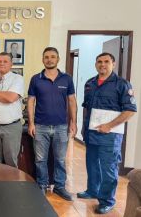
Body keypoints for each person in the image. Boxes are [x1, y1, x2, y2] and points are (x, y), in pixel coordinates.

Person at [77, 52, 137, 214]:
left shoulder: (122, 84)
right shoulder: (90, 83)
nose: (102, 64)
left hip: (110, 136)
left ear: (113, 64)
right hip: (91, 134)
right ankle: (92, 191)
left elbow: (130, 110)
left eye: (106, 61)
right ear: (96, 64)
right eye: (99, 61)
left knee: (108, 169)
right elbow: (86, 108)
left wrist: (109, 125)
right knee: (92, 165)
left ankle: (107, 200)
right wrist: (83, 128)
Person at [27, 47, 77, 201]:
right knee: (40, 159)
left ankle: (60, 187)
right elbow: (30, 101)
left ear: (58, 59)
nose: (49, 59)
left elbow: (72, 101)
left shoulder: (67, 79)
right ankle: (42, 185)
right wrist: (31, 123)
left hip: (61, 126)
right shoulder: (36, 79)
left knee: (60, 159)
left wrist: (73, 122)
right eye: (46, 57)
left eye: (53, 57)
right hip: (41, 126)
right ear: (43, 60)